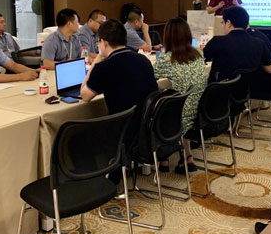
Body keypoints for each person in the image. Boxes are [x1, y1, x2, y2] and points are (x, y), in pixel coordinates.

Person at [81, 19, 158, 148]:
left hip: (123, 131)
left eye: (98, 42)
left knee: (79, 137)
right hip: (148, 125)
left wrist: (96, 61)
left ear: (104, 42)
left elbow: (84, 95)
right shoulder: (143, 59)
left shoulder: (104, 67)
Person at [154, 17, 206, 174]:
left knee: (159, 103)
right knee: (180, 101)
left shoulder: (166, 59)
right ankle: (187, 156)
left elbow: (153, 77)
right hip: (198, 113)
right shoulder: (199, 54)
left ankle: (164, 157)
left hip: (178, 118)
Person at [204, 6, 271, 82]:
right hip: (248, 89)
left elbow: (199, 60)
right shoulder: (259, 43)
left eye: (223, 23)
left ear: (228, 23)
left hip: (219, 88)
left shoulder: (217, 42)